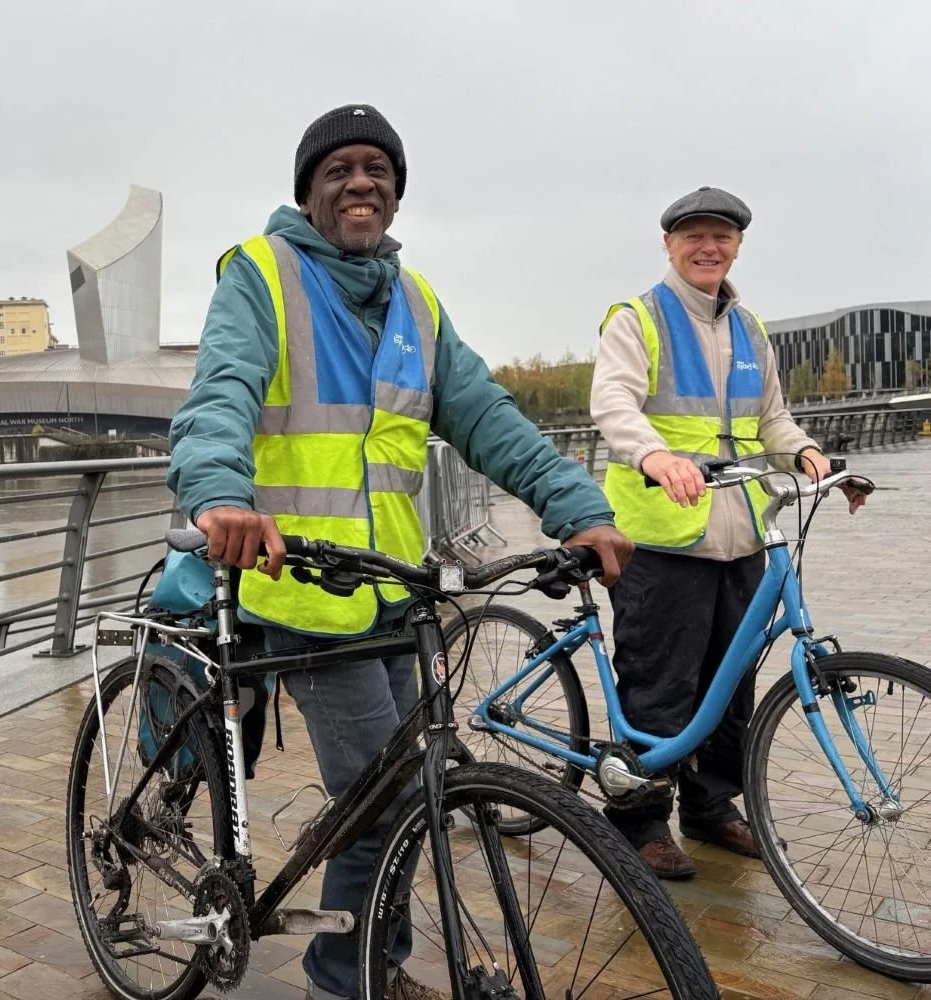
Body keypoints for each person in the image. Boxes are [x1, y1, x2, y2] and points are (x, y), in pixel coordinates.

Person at [167, 103, 632, 1000]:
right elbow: (220, 392)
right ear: (308, 190)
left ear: (395, 191)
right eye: (338, 169)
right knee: (382, 807)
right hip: (303, 588)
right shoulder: (262, 274)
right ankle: (343, 982)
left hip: (393, 591)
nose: (360, 183)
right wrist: (220, 493)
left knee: (406, 794)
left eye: (376, 169)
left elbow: (484, 415)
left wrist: (576, 508)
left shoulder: (414, 300)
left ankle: (370, 967)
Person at [590, 186, 867, 879]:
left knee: (732, 682)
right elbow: (614, 403)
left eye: (721, 236)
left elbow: (772, 419)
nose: (708, 248)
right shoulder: (638, 318)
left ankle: (710, 807)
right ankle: (639, 819)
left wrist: (808, 455)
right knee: (661, 685)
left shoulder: (749, 329)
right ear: (669, 244)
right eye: (694, 236)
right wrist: (655, 456)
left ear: (738, 245)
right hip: (661, 536)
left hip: (743, 531)